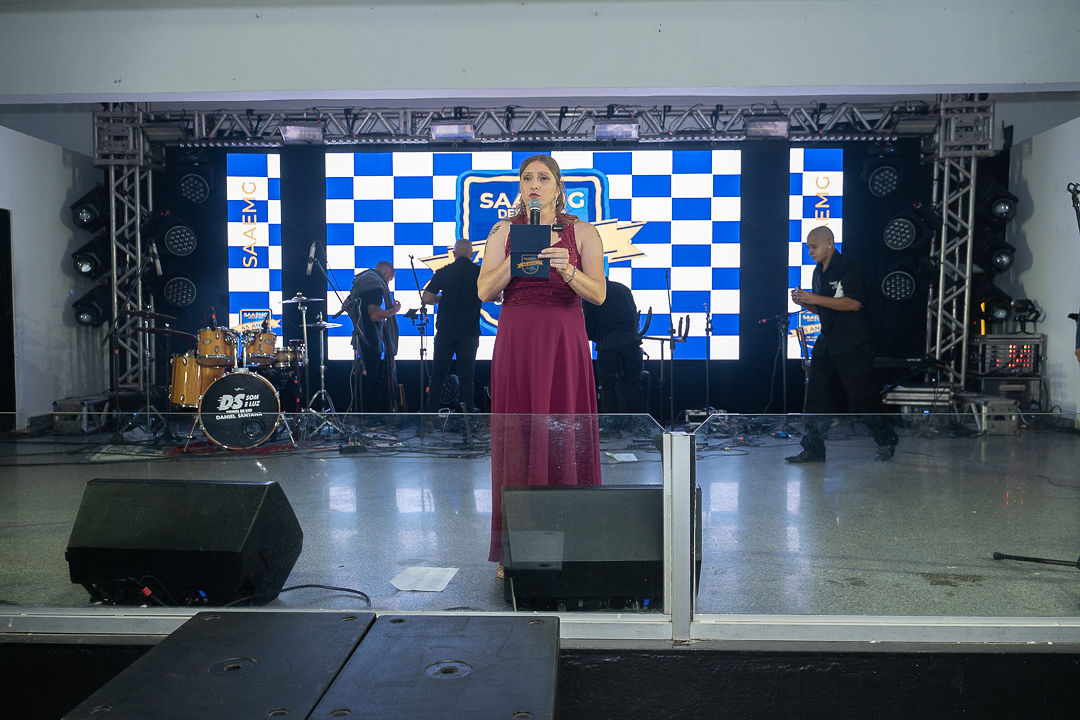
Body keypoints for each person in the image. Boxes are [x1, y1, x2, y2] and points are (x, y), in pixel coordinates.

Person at [477, 154, 607, 575]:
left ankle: (574, 541)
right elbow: (484, 291)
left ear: (558, 186)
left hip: (563, 339)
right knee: (517, 438)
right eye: (527, 178)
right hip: (517, 339)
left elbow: (599, 294)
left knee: (565, 432)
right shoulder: (503, 230)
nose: (534, 184)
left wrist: (567, 270)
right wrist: (515, 260)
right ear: (520, 186)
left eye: (543, 178)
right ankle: (515, 547)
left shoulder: (582, 231)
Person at [788, 225, 898, 463]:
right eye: (808, 248)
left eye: (814, 247)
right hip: (827, 339)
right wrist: (805, 302)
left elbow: (854, 304)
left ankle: (887, 440)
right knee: (816, 397)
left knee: (863, 397)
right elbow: (824, 308)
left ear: (829, 243)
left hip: (852, 342)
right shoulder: (818, 272)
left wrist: (815, 298)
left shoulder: (849, 267)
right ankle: (814, 449)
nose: (810, 252)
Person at [422, 238, 482, 412]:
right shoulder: (479, 272)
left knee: (438, 374)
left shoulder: (443, 271)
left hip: (446, 330)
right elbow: (494, 295)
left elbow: (427, 298)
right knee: (467, 376)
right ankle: (466, 414)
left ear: (454, 254)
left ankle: (431, 413)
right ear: (472, 254)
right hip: (470, 331)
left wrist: (440, 299)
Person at [344, 260, 401, 412]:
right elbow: (374, 315)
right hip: (370, 339)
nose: (388, 283)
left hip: (362, 337)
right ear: (387, 273)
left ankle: (358, 414)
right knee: (368, 379)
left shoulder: (363, 280)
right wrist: (394, 310)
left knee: (364, 378)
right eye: (390, 279)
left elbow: (346, 303)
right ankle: (363, 417)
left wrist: (358, 321)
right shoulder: (375, 284)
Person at [582, 278, 646, 413]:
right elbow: (633, 315)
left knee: (607, 387)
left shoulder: (591, 294)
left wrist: (593, 336)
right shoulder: (623, 288)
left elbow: (589, 324)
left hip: (607, 345)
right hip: (631, 342)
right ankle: (639, 421)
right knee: (634, 384)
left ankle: (610, 423)